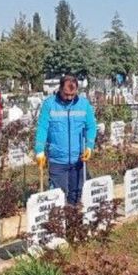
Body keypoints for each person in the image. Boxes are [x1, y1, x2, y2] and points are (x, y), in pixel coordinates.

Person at [35, 75, 97, 205]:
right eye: (66, 94)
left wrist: (89, 146)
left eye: (73, 94)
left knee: (76, 194)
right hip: (57, 160)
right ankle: (58, 224)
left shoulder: (84, 105)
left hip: (78, 159)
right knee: (58, 196)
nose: (69, 98)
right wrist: (39, 150)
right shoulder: (50, 105)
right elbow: (42, 128)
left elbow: (91, 127)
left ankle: (75, 222)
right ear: (60, 89)